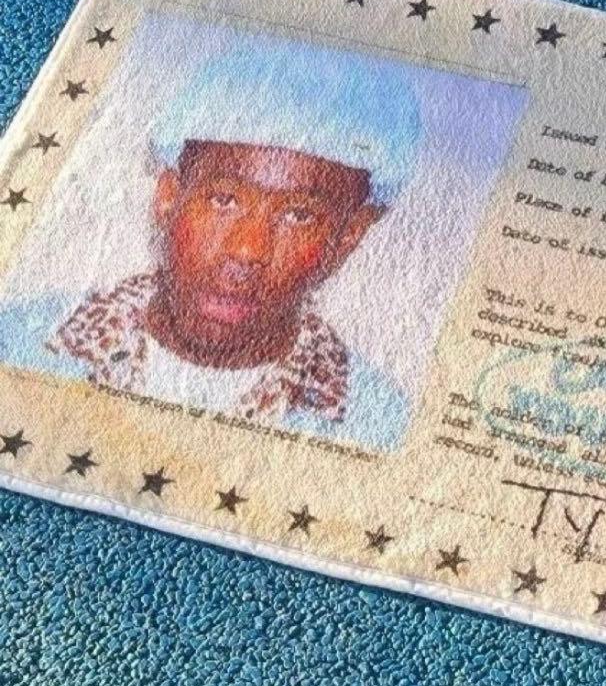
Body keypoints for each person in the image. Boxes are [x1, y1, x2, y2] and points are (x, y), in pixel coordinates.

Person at [0, 36, 423, 451]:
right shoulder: (18, 340)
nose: (247, 250)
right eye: (224, 200)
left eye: (298, 216)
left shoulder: (384, 430)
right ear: (169, 196)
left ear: (347, 239)